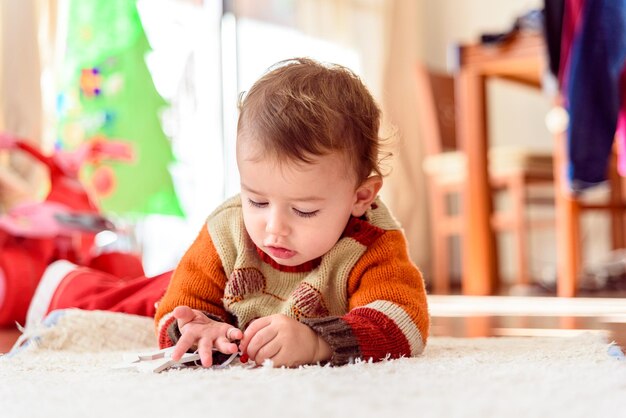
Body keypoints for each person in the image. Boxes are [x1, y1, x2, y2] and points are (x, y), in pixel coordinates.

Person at [18, 57, 429, 368]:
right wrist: (198, 327)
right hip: (195, 292)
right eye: (258, 201)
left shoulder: (373, 244)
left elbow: (404, 322)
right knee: (143, 300)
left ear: (361, 196)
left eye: (304, 211)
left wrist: (316, 342)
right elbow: (175, 310)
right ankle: (66, 288)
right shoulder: (227, 230)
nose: (274, 229)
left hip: (278, 307)